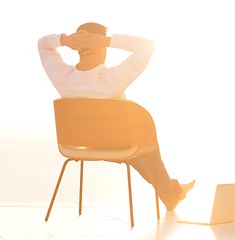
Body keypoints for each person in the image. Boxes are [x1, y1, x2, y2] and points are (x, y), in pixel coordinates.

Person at [38, 22, 195, 211]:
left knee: (137, 157)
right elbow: (147, 46)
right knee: (145, 150)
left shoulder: (62, 78)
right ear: (102, 49)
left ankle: (173, 191)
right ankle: (172, 193)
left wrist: (65, 40)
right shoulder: (112, 80)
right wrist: (107, 40)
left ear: (77, 48)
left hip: (81, 146)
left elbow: (42, 44)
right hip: (117, 146)